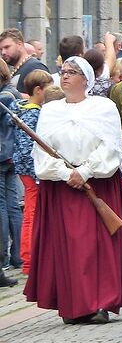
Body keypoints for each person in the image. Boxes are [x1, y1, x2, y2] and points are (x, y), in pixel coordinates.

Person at [25, 56, 122, 324]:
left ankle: (100, 302)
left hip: (97, 183)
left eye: (72, 72)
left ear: (85, 79)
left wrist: (85, 171)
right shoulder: (51, 111)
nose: (65, 76)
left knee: (97, 248)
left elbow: (111, 146)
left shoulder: (103, 107)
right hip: (62, 187)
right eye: (63, 71)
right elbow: (41, 152)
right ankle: (74, 304)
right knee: (71, 249)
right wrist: (66, 174)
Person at [10, 69, 52, 275]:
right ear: (38, 90)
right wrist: (36, 173)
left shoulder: (22, 109)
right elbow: (29, 148)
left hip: (27, 169)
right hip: (31, 170)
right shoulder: (33, 113)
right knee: (31, 213)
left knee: (31, 211)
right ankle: (28, 259)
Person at [0, 59, 23, 270]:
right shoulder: (13, 93)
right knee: (13, 205)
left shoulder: (3, 96)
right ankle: (17, 254)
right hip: (11, 154)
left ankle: (4, 258)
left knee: (3, 205)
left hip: (2, 155)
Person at [0, 28, 49, 94]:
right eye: (1, 49)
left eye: (7, 47)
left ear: (19, 45)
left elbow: (43, 97)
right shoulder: (16, 69)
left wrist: (14, 95)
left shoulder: (35, 67)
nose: (3, 52)